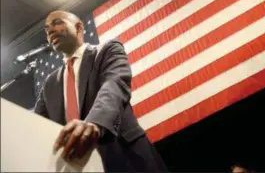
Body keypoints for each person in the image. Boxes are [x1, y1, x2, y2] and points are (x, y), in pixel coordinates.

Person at [34, 11, 168, 172]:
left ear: (79, 27)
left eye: (57, 22)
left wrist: (94, 123)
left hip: (127, 157)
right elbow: (36, 125)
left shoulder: (107, 50)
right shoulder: (49, 84)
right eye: (46, 28)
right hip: (80, 166)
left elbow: (114, 85)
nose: (50, 30)